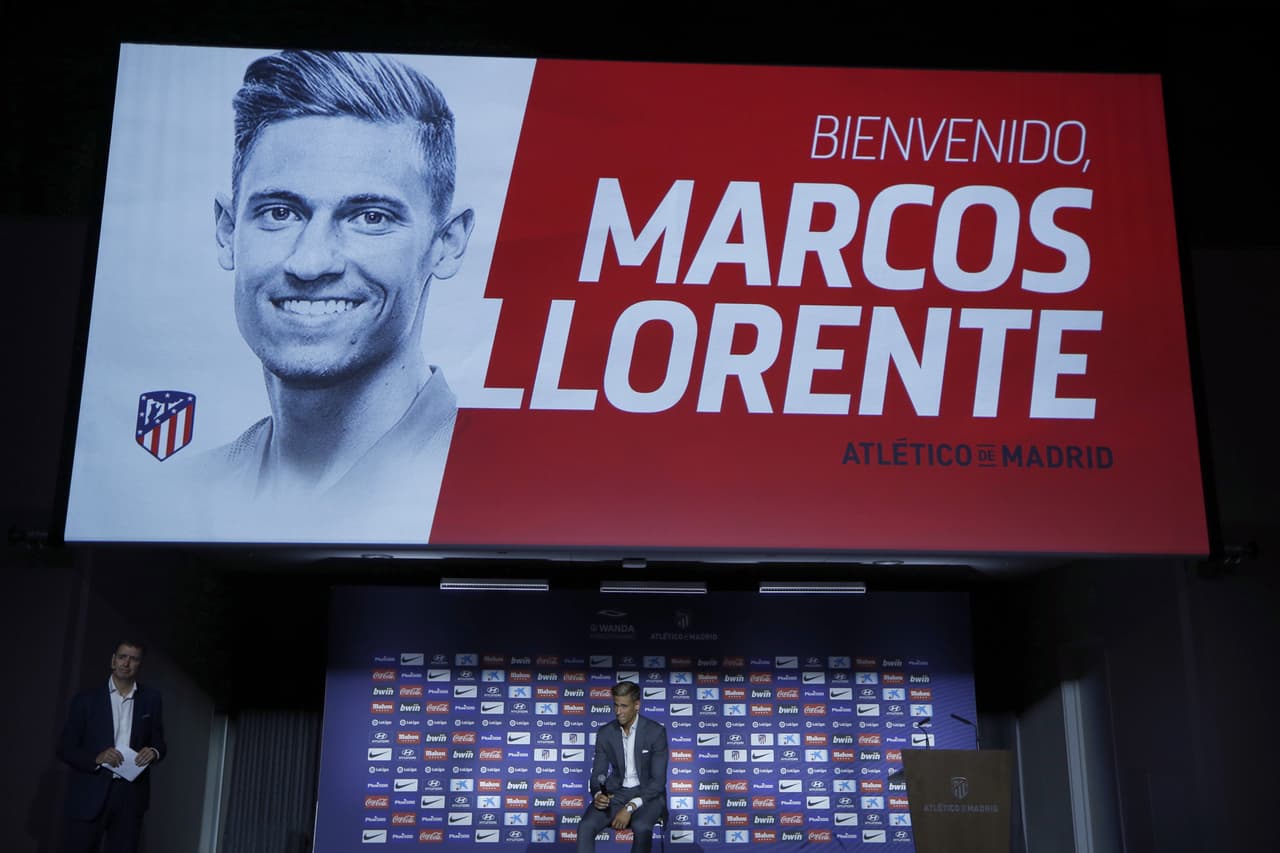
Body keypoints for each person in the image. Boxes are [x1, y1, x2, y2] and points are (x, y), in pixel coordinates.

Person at [202, 49, 474, 540]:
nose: (311, 262)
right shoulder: (177, 496)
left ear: (447, 244)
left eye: (371, 217)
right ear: (227, 231)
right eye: (280, 213)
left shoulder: (516, 491)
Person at [57, 641, 166, 853]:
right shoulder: (85, 701)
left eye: (133, 659)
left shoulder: (151, 699)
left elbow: (159, 740)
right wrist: (97, 758)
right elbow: (65, 747)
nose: (126, 663)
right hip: (90, 792)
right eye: (122, 656)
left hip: (131, 795)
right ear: (113, 660)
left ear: (140, 665)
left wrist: (153, 751)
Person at [578, 681, 668, 853]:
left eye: (624, 706)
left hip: (648, 795)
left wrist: (629, 807)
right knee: (586, 826)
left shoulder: (655, 732)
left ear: (637, 705)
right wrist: (598, 794)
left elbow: (658, 782)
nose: (618, 712)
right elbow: (598, 773)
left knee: (642, 827)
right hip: (616, 793)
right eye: (616, 705)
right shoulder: (605, 732)